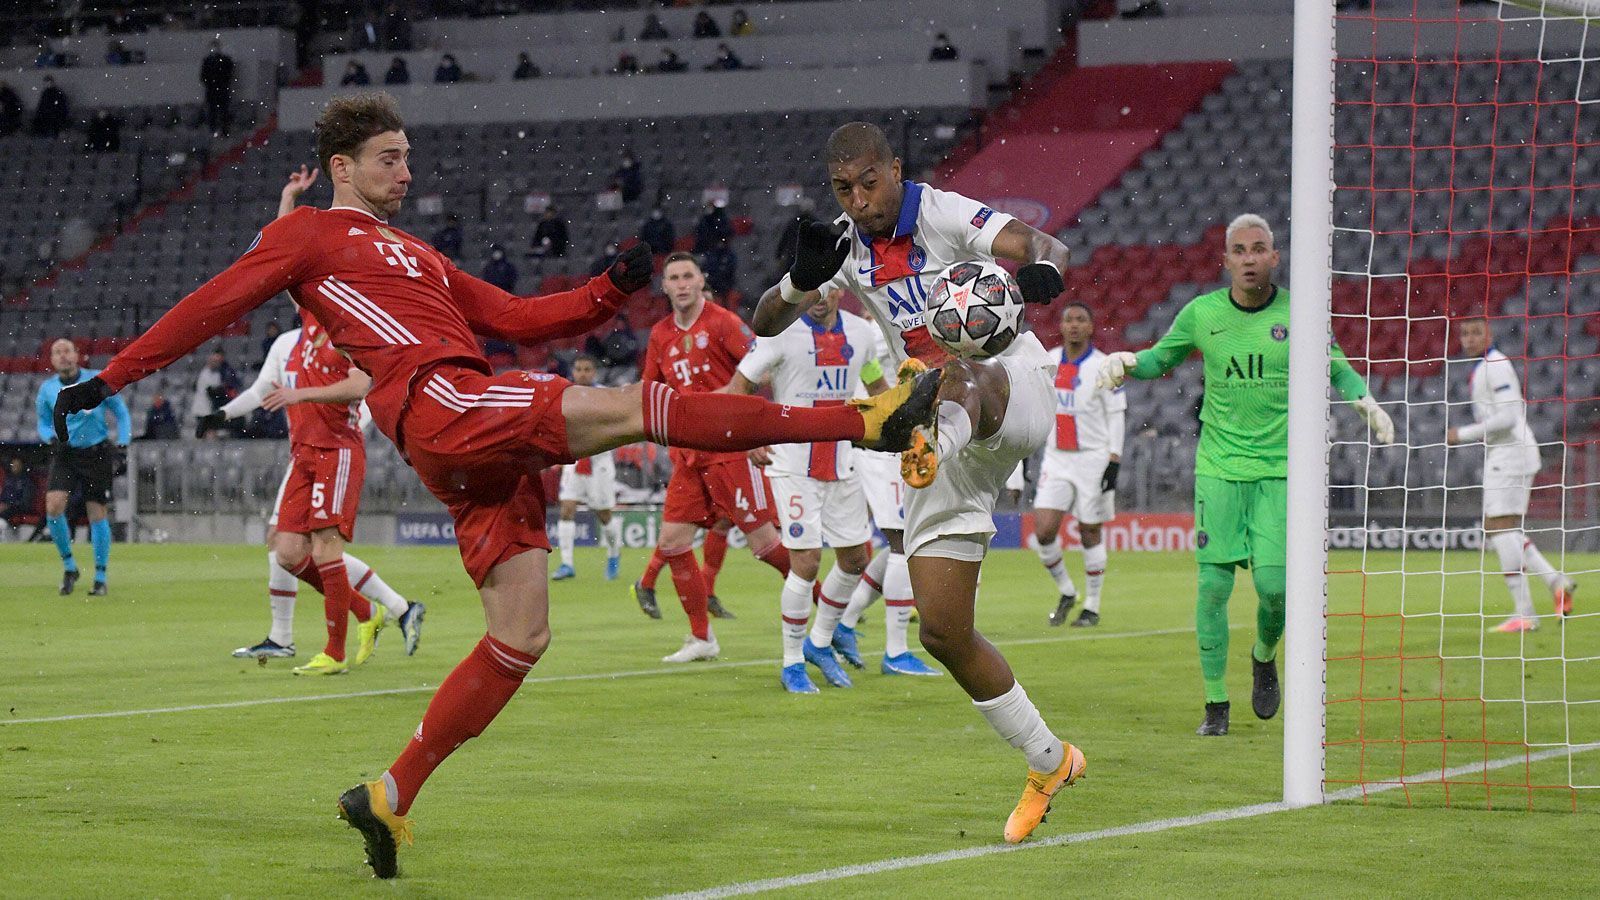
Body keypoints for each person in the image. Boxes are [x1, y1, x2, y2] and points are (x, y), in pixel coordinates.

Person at [51, 92, 938, 879]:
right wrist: (112, 376)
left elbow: (518, 318)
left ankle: (392, 793)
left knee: (521, 635)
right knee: (641, 406)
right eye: (389, 159)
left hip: (460, 436)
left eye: (406, 155)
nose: (407, 170)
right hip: (444, 402)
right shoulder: (307, 236)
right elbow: (212, 303)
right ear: (341, 169)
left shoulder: (417, 256)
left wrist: (607, 287)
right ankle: (868, 421)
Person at [751, 121, 1091, 843]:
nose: (858, 198)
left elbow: (1051, 250)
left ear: (894, 169)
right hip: (930, 420)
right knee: (942, 629)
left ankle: (930, 437)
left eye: (868, 182)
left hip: (1010, 386)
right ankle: (1048, 760)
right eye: (843, 187)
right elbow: (765, 320)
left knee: (959, 368)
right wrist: (799, 280)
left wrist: (1027, 282)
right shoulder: (844, 245)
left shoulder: (942, 212)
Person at [1096, 213, 1396, 736]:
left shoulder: (1299, 314)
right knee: (1212, 588)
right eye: (1240, 250)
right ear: (1227, 259)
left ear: (1274, 257)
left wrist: (1364, 401)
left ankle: (1263, 655)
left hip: (1282, 471)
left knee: (1276, 590)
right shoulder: (1201, 313)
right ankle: (1215, 704)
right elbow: (1159, 360)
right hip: (1219, 467)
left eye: (1259, 249)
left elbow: (1336, 364)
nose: (1250, 258)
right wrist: (1124, 361)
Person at [728, 289, 939, 690]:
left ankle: (820, 641)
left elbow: (877, 389)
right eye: (812, 289)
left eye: (827, 287)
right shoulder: (780, 333)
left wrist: (909, 416)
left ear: (840, 289)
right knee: (805, 562)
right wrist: (747, 436)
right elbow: (741, 382)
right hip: (792, 463)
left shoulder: (861, 333)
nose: (820, 296)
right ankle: (791, 662)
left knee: (856, 558)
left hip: (842, 460)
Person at [637, 252, 800, 661]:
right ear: (665, 286)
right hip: (688, 454)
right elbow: (650, 390)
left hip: (730, 448)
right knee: (673, 543)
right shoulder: (659, 334)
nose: (681, 283)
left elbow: (761, 369)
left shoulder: (724, 322)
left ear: (700, 279)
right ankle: (701, 639)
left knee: (765, 546)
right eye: (673, 277)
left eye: (688, 275)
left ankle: (831, 608)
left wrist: (752, 425)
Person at [1446, 317, 1576, 631]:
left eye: (1476, 332)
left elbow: (1508, 416)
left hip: (1511, 453)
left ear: (1489, 334)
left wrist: (1462, 434)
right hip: (1509, 453)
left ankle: (1525, 614)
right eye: (1464, 333)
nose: (1469, 338)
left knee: (1497, 527)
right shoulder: (1486, 366)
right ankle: (1556, 582)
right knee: (1504, 528)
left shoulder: (1496, 365)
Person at [1031, 303, 1125, 628]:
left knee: (1089, 531)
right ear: (1061, 325)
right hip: (1056, 457)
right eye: (1068, 319)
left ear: (1091, 327)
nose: (1073, 325)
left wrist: (1114, 459)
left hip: (1093, 458)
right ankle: (1067, 591)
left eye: (1080, 319)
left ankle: (1093, 607)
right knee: (1043, 531)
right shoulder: (1049, 362)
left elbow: (1116, 414)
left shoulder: (1104, 366)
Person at [37, 339, 131, 596]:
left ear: (78, 355)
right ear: (52, 360)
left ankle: (100, 577)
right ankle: (69, 566)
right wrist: (50, 436)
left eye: (67, 350)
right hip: (65, 453)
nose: (63, 356)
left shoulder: (95, 381)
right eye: (57, 352)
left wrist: (122, 444)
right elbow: (43, 423)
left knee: (96, 512)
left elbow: (121, 412)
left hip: (96, 453)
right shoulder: (46, 390)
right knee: (53, 507)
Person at [552, 355, 623, 582]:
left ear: (594, 372)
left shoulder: (603, 396)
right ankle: (566, 564)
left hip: (599, 463)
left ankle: (614, 554)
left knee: (603, 514)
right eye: (579, 369)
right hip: (574, 461)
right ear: (573, 371)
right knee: (566, 509)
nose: (582, 373)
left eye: (587, 369)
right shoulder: (566, 393)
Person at [199, 39, 234, 135]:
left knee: (224, 112)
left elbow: (229, 75)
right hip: (212, 91)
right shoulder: (207, 61)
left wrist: (217, 81)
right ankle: (213, 130)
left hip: (222, 91)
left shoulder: (226, 60)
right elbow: (203, 77)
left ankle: (224, 131)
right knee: (212, 113)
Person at [0, 457, 38, 540]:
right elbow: (4, 496)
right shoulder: (8, 480)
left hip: (20, 507)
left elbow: (26, 502)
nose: (14, 467)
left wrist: (9, 505)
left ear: (21, 466)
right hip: (8, 507)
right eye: (13, 465)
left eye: (17, 465)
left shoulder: (27, 482)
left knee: (5, 514)